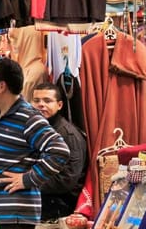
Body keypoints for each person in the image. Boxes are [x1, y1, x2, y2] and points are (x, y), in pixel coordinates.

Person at [0, 58, 70, 229]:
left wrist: (28, 179)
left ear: (1, 86)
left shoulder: (28, 117)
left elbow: (59, 151)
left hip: (11, 218)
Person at [32, 82, 87, 221]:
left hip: (59, 205)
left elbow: (67, 180)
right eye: (36, 100)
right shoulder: (38, 129)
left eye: (47, 100)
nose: (41, 105)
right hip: (41, 199)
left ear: (60, 105)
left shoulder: (68, 135)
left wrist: (28, 184)